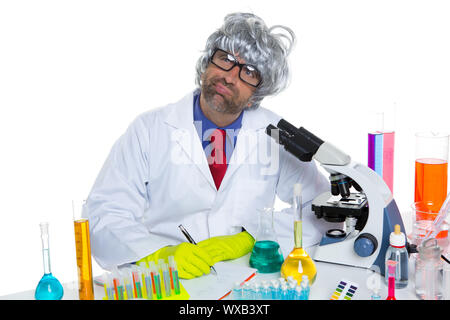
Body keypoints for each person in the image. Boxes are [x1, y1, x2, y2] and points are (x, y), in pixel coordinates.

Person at [85, 12, 335, 279]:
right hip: (168, 280)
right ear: (207, 63)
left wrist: (252, 238)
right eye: (226, 58)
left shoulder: (275, 135)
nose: (230, 76)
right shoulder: (150, 129)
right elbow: (105, 213)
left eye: (249, 72)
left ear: (256, 95)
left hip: (246, 281)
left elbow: (320, 207)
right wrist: (156, 254)